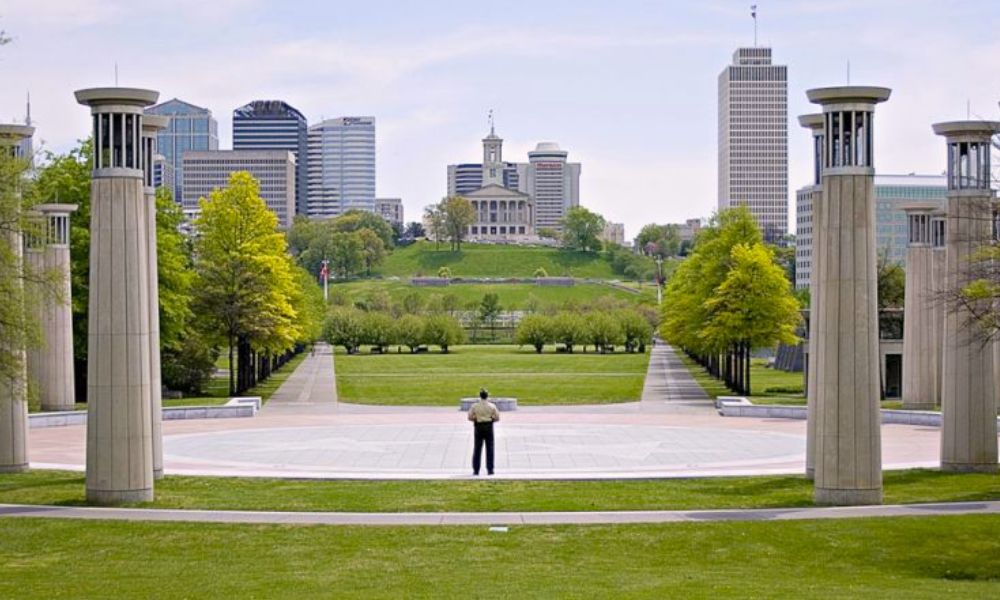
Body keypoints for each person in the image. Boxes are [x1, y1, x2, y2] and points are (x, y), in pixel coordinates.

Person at [467, 388, 500, 476]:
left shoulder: (475, 406)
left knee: (477, 448)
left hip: (478, 426)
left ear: (480, 396)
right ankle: (490, 469)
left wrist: (476, 419)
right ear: (487, 396)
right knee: (490, 448)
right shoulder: (492, 406)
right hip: (489, 426)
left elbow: (469, 417)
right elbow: (497, 417)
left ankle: (476, 469)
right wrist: (491, 419)